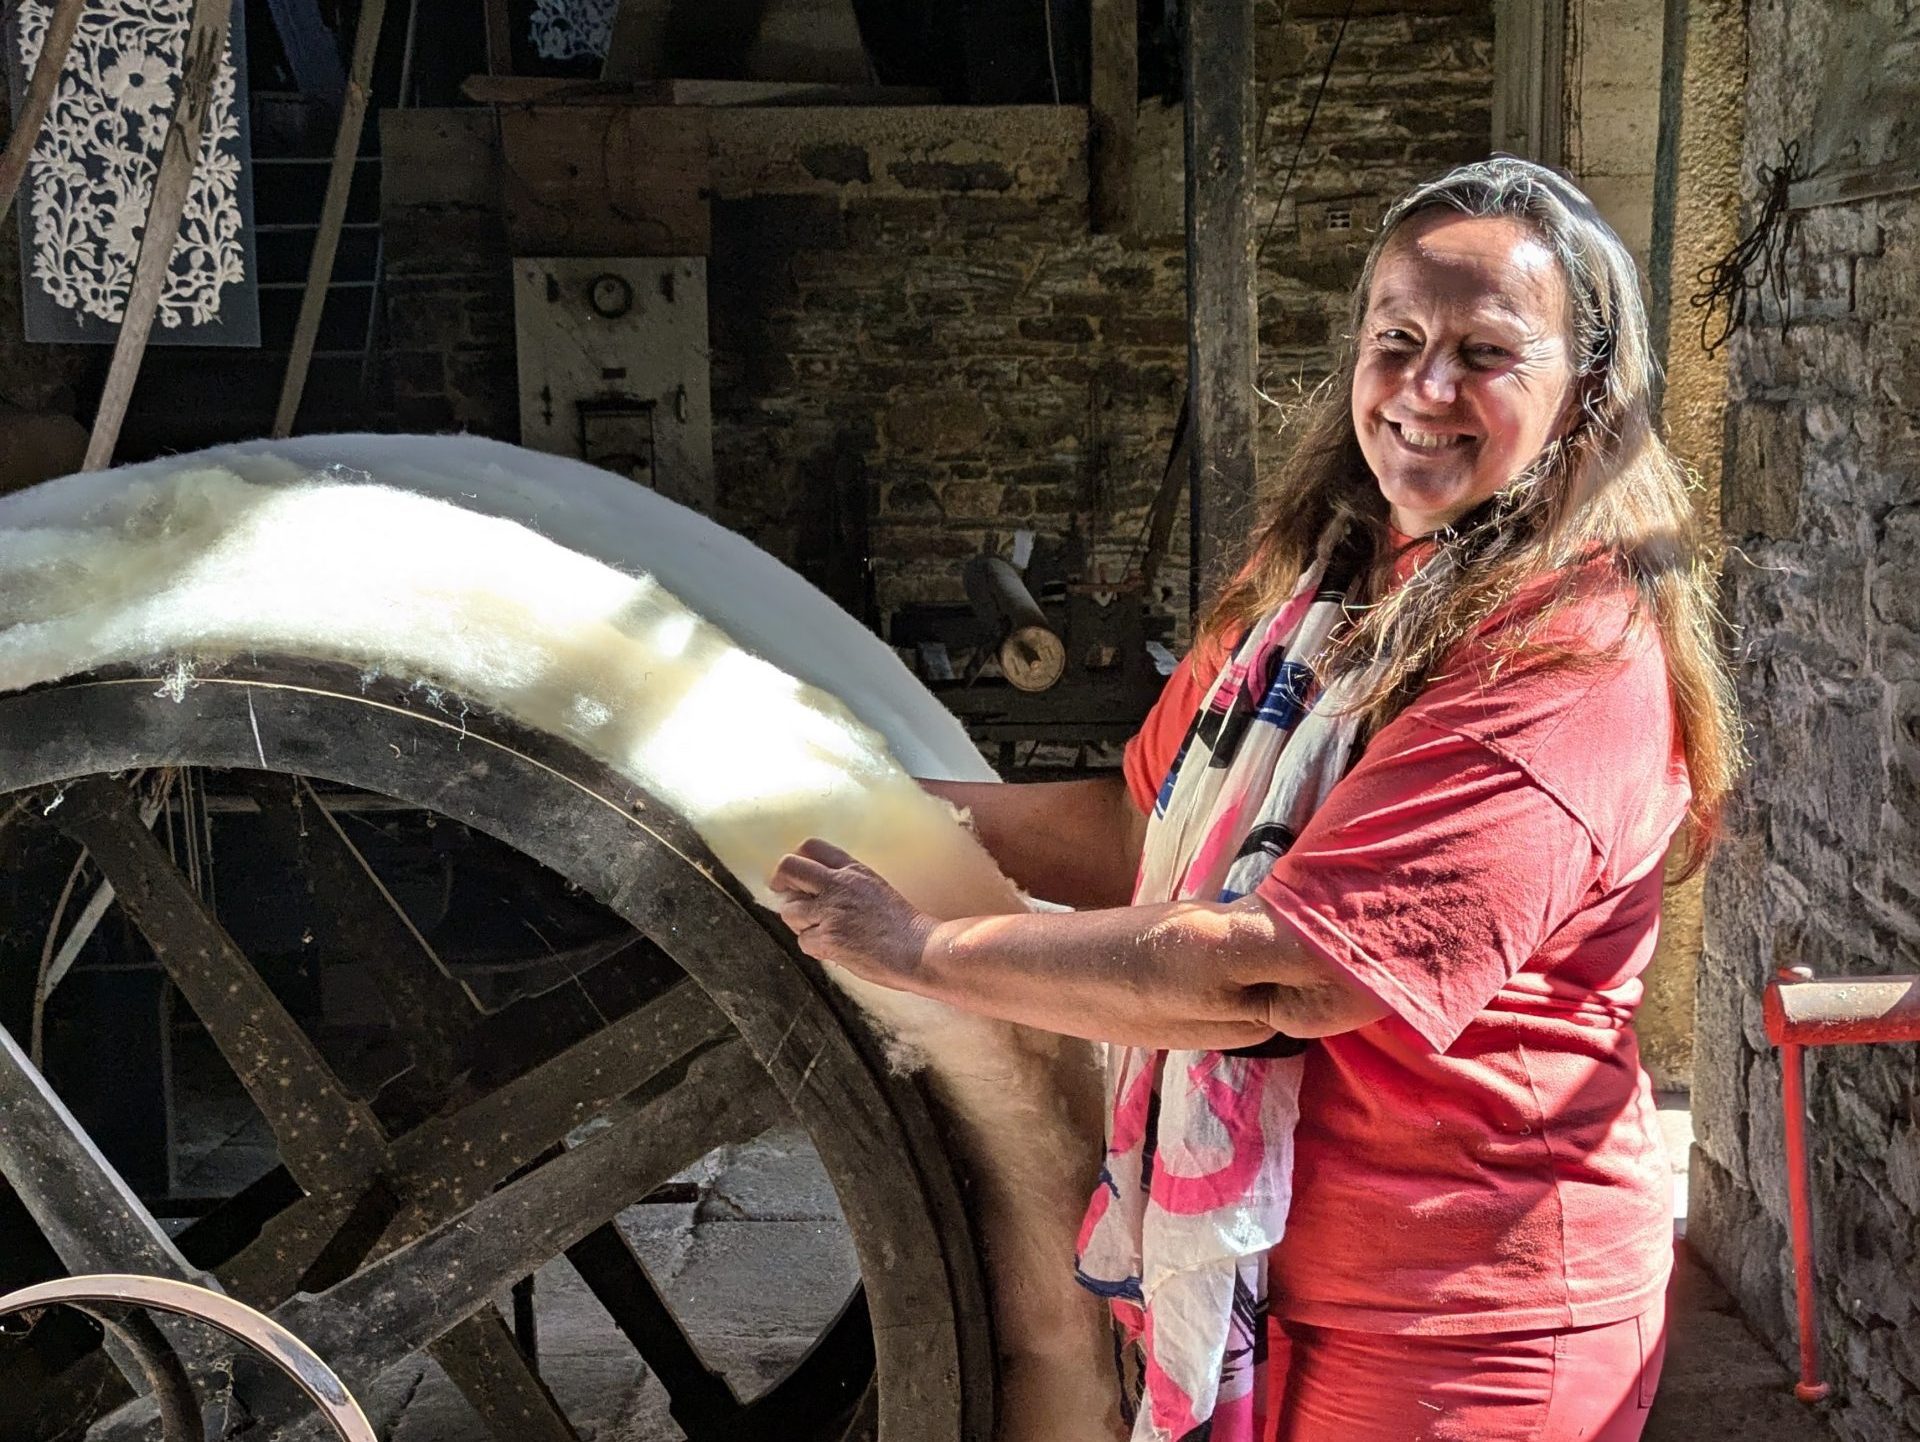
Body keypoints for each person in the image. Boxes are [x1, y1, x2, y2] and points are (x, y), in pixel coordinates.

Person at [770, 157, 1740, 1442]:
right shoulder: (1315, 600)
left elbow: (1281, 980)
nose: (1425, 389)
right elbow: (1134, 828)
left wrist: (920, 948)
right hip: (1276, 1282)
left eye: (1487, 353)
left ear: (1587, 399)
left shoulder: (1566, 660)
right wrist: (865, 801)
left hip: (1457, 1328)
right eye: (1396, 339)